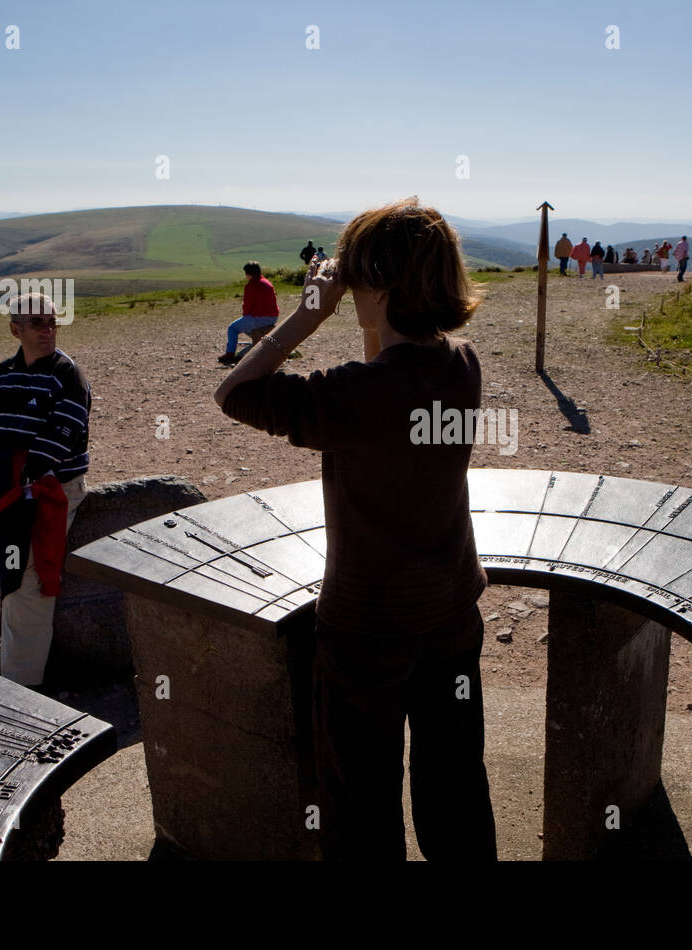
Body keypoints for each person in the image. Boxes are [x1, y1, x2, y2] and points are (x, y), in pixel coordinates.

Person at [214, 197, 497, 860]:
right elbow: (389, 373)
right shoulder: (462, 366)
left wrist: (307, 316)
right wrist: (369, 308)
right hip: (451, 613)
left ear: (379, 286)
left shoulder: (352, 396)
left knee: (360, 804)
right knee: (454, 789)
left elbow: (234, 395)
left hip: (366, 630)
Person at [0, 293, 91, 689]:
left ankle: (20, 686)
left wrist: (23, 478)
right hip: (9, 490)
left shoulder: (69, 374)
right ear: (16, 329)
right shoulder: (2, 374)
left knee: (25, 582)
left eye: (52, 322)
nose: (47, 330)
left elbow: (63, 435)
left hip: (50, 489)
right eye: (37, 323)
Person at [219, 261, 280, 365]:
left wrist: (245, 316)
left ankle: (230, 355)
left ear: (248, 274)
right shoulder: (267, 282)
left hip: (259, 318)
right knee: (245, 325)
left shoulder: (251, 285)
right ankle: (258, 342)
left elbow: (247, 306)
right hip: (273, 317)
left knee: (232, 328)